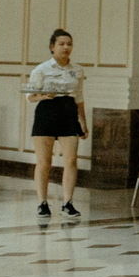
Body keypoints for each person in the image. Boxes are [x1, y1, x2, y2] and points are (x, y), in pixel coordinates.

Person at [23, 28, 86, 218]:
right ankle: (42, 202)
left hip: (68, 112)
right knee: (44, 161)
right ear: (52, 47)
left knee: (71, 159)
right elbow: (30, 96)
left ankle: (68, 202)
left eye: (69, 44)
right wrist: (43, 96)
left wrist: (83, 122)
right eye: (61, 44)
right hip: (47, 112)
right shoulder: (41, 69)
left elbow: (79, 97)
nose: (66, 47)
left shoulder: (77, 70)